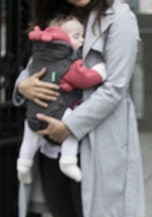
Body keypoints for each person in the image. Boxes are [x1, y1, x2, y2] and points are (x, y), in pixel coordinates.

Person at [13, 0, 145, 217]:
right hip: (51, 148)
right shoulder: (56, 21)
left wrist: (68, 127)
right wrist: (22, 85)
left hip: (97, 145)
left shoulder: (119, 18)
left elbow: (114, 88)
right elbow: (36, 63)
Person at [17, 15, 107, 184]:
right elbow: (83, 79)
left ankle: (23, 163)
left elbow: (28, 73)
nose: (82, 40)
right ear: (63, 41)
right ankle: (68, 160)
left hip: (33, 113)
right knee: (71, 125)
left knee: (29, 137)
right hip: (56, 111)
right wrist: (100, 71)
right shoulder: (66, 64)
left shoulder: (40, 58)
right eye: (75, 37)